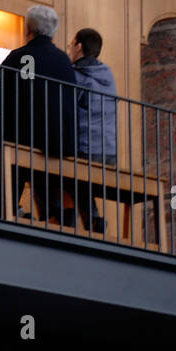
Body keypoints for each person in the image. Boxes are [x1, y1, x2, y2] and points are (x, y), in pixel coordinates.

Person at [0, 5, 77, 219]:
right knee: (34, 156)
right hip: (58, 141)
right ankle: (53, 210)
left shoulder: (18, 56)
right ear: (54, 31)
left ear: (28, 29)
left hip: (23, 135)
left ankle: (4, 208)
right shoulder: (64, 61)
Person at [67, 27, 119, 234]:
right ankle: (93, 220)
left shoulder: (76, 76)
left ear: (79, 47)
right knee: (80, 178)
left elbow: (65, 109)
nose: (70, 48)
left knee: (61, 167)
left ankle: (63, 217)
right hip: (110, 151)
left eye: (71, 44)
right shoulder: (108, 75)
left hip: (87, 149)